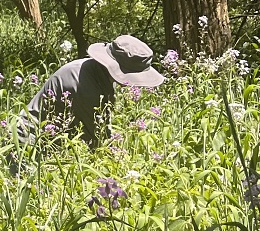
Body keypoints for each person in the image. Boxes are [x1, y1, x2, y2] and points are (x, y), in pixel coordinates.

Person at [15, 34, 165, 151]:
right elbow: (97, 142)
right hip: (28, 147)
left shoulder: (93, 72)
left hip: (49, 143)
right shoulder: (83, 85)